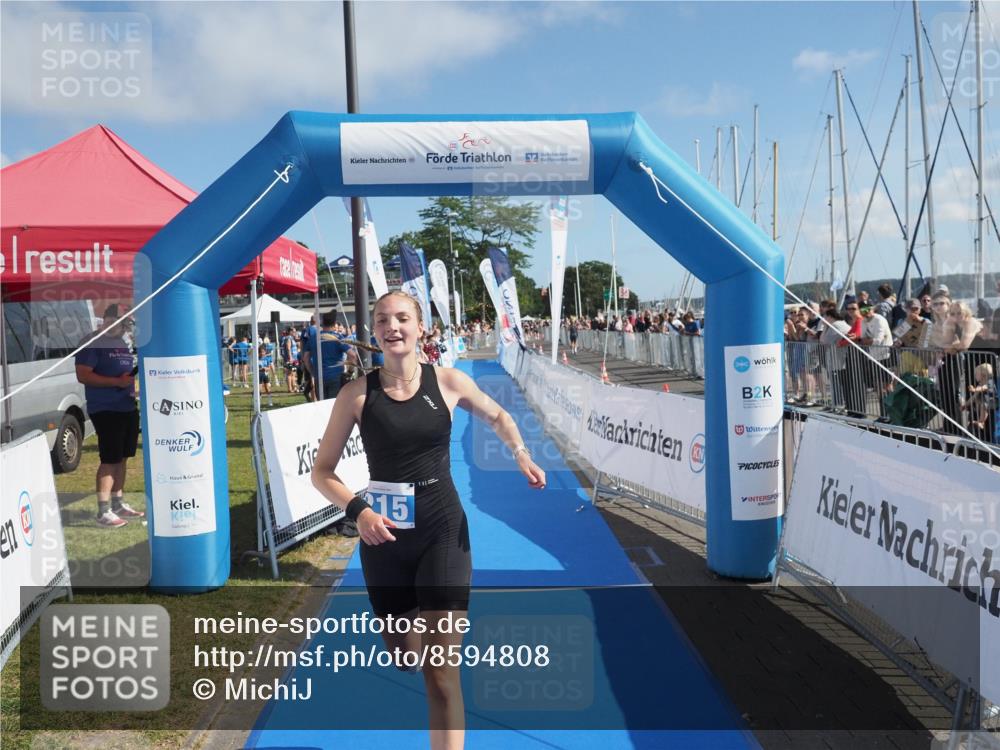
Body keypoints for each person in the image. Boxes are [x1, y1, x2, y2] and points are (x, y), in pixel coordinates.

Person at [311, 291, 545, 750]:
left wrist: (520, 452)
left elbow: (499, 415)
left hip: (442, 533)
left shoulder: (449, 381)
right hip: (384, 541)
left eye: (402, 318)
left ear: (421, 327)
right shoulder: (356, 394)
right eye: (383, 320)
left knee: (441, 674)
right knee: (406, 658)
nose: (392, 327)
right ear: (374, 330)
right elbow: (322, 472)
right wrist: (359, 512)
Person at [74, 305, 145, 528]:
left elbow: (123, 375)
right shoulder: (92, 341)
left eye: (126, 323)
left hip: (127, 406)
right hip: (105, 409)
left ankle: (118, 503)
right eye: (120, 321)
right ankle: (103, 511)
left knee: (123, 457)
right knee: (110, 459)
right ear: (106, 320)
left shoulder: (122, 343)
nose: (124, 326)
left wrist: (131, 388)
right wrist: (116, 382)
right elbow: (83, 375)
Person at [304, 311, 353, 400]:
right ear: (334, 324)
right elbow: (352, 355)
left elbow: (306, 358)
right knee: (334, 405)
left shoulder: (313, 338)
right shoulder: (338, 338)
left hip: (319, 376)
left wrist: (312, 372)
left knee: (322, 405)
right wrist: (350, 371)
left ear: (322, 323)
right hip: (336, 376)